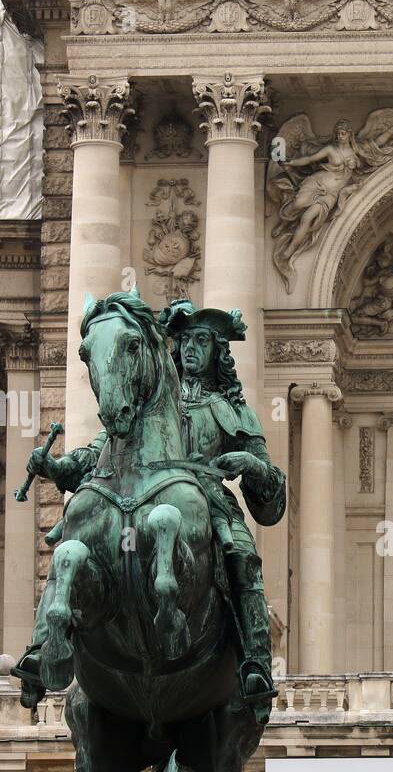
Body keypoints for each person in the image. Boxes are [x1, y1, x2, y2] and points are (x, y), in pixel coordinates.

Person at [13, 302, 285, 725]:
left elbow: (270, 499)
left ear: (218, 352)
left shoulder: (233, 411)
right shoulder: (143, 399)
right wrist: (55, 467)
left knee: (244, 557)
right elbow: (92, 453)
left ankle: (255, 664)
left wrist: (249, 466)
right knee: (76, 534)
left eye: (201, 340)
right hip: (130, 489)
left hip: (208, 499)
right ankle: (42, 645)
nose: (190, 348)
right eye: (184, 340)